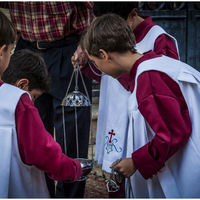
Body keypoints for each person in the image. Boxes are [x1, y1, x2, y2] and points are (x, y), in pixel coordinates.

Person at [80, 13, 200, 198]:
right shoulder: (153, 64)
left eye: (95, 62)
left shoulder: (149, 77)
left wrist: (136, 161)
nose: (98, 67)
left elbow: (173, 131)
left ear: (104, 55)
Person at [0, 2, 94, 198]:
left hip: (68, 49)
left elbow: (96, 9)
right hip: (26, 46)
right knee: (28, 132)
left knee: (72, 134)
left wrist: (87, 43)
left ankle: (69, 191)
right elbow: (38, 148)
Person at [0, 49, 82, 198]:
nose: (33, 102)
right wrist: (73, 169)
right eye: (35, 96)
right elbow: (42, 150)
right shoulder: (22, 104)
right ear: (22, 85)